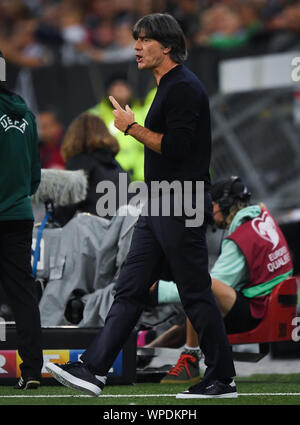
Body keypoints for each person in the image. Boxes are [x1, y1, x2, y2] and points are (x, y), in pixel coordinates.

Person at [46, 13, 237, 399]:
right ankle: (94, 368)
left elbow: (178, 148)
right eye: (135, 39)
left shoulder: (182, 86)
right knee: (130, 289)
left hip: (180, 201)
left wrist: (131, 128)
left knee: (195, 292)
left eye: (144, 39)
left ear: (166, 46)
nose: (135, 46)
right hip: (161, 201)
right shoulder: (169, 85)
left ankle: (221, 377)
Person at [155, 176, 293, 384]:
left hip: (256, 312)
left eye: (213, 205)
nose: (210, 211)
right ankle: (145, 354)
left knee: (199, 285)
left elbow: (204, 284)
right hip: (266, 304)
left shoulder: (242, 238)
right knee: (190, 314)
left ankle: (190, 360)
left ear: (226, 203)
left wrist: (158, 290)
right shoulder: (261, 219)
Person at [0, 50, 43, 389]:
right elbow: (34, 176)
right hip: (19, 215)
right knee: (23, 295)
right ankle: (31, 371)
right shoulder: (26, 113)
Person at [54, 112, 131, 225]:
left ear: (73, 136)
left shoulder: (79, 163)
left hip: (96, 235)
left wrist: (50, 219)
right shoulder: (117, 165)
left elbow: (65, 209)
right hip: (122, 233)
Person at [88, 76, 146, 182]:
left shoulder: (143, 112)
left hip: (141, 178)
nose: (120, 90)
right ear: (108, 91)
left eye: (123, 86)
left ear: (131, 90)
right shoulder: (95, 115)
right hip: (108, 179)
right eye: (115, 86)